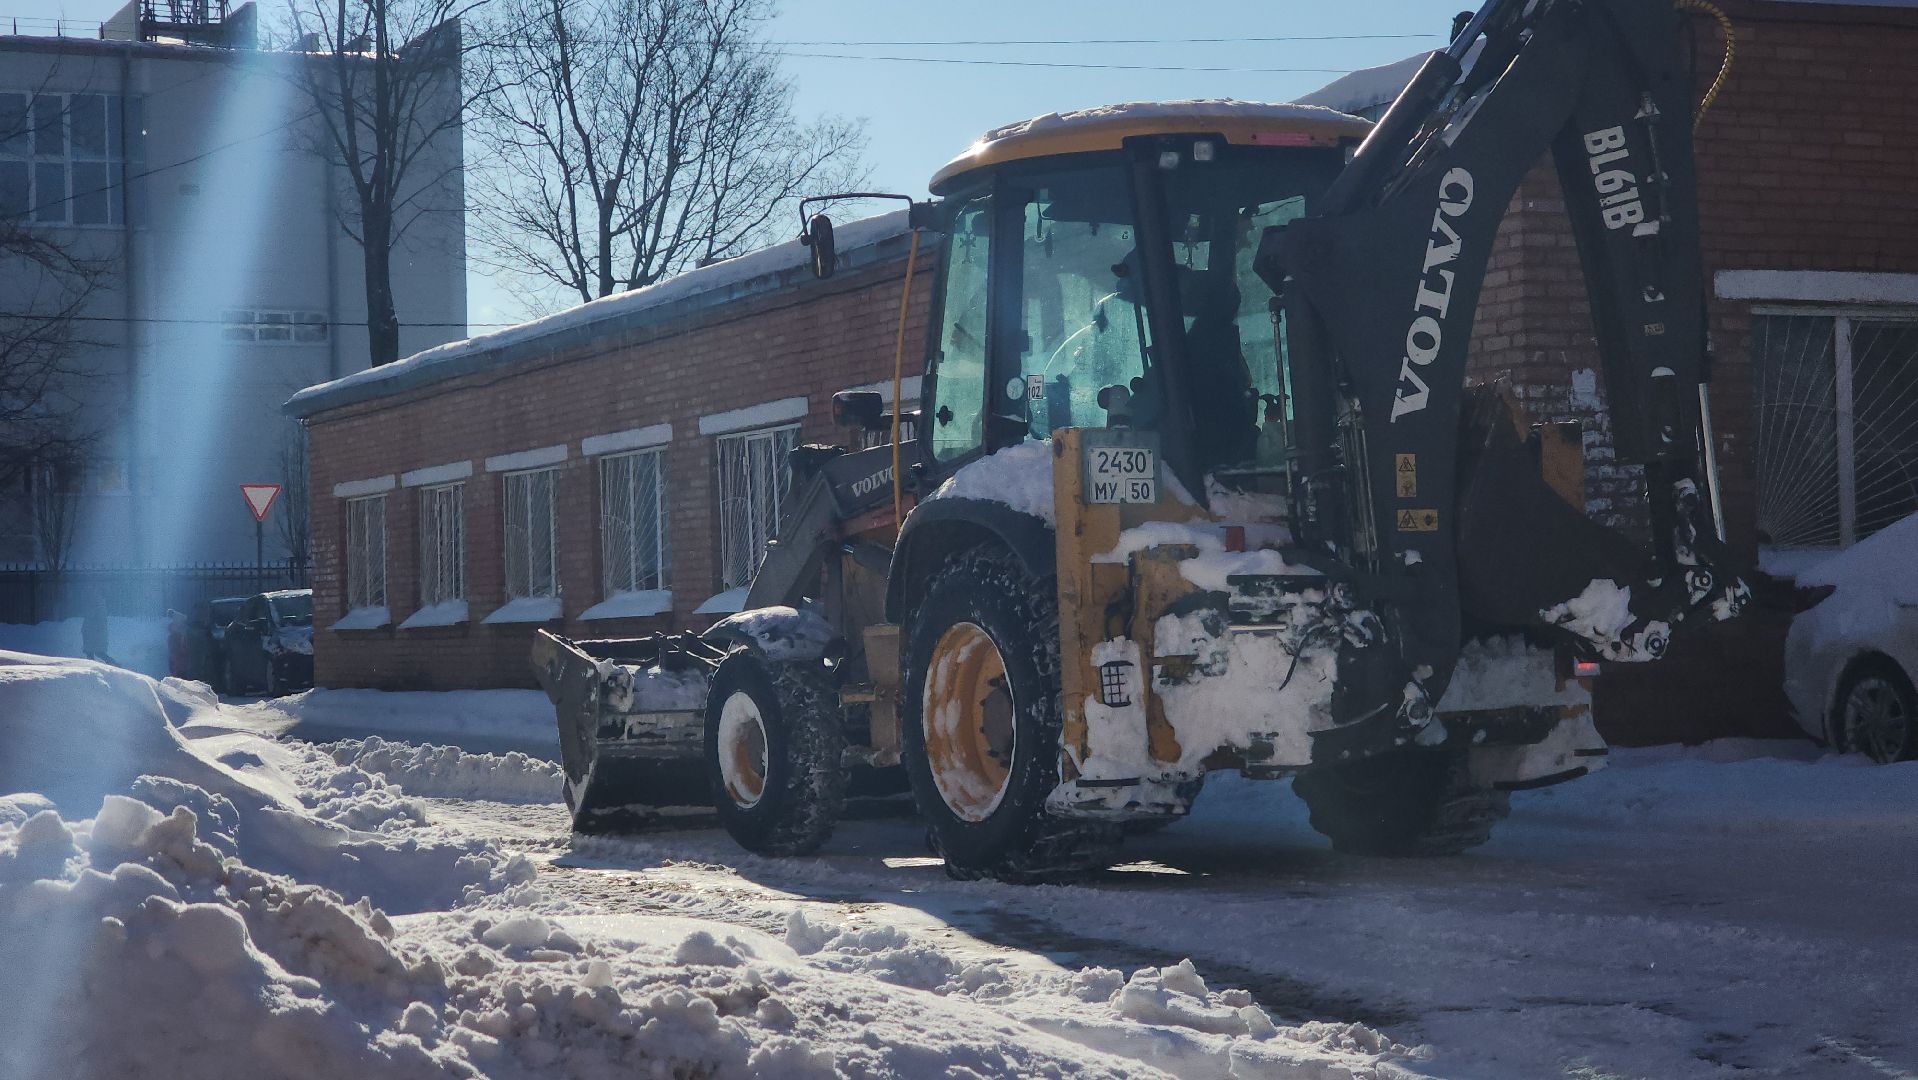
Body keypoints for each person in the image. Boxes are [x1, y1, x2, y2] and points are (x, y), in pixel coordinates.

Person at [81, 590, 117, 666]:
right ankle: (92, 669)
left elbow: (94, 621)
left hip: (94, 636)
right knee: (93, 653)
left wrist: (89, 631)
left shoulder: (98, 606)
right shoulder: (98, 606)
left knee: (96, 653)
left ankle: (114, 665)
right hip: (92, 635)